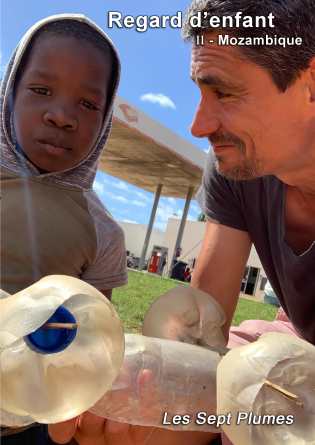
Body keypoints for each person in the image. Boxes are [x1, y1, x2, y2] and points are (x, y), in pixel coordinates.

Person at [49, 0, 315, 443]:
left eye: (225, 92)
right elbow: (201, 346)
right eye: (199, 91)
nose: (198, 125)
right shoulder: (235, 165)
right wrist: (154, 416)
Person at [0, 14, 128, 444]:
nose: (61, 116)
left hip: (29, 420)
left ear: (106, 118)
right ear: (9, 93)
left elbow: (92, 343)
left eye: (88, 105)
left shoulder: (102, 231)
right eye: (40, 91)